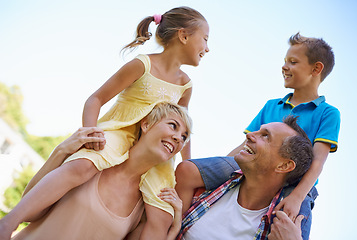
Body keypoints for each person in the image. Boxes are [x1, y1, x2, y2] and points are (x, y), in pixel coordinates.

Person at [5, 6, 209, 239]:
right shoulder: (143, 64)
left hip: (155, 152)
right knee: (81, 166)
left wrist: (185, 168)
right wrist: (90, 132)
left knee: (162, 214)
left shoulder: (185, 85)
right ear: (183, 36)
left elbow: (182, 126)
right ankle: (9, 221)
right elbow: (96, 98)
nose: (207, 47)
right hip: (119, 132)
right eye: (204, 39)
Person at [175, 32, 340, 230]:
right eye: (285, 60)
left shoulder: (327, 113)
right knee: (191, 170)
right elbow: (246, 143)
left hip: (297, 183)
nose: (284, 66)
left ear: (316, 68)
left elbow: (318, 160)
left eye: (293, 62)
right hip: (254, 165)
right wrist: (221, 168)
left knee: (293, 223)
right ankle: (176, 225)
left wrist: (297, 196)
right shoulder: (272, 105)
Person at [0, 102, 191, 240]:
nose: (178, 139)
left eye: (184, 137)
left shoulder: (143, 209)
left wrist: (174, 229)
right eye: (173, 126)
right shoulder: (93, 162)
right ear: (146, 124)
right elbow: (30, 212)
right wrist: (60, 151)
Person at [177, 116, 314, 240]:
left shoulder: (282, 230)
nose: (249, 135)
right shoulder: (202, 189)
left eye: (266, 136)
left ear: (284, 166)